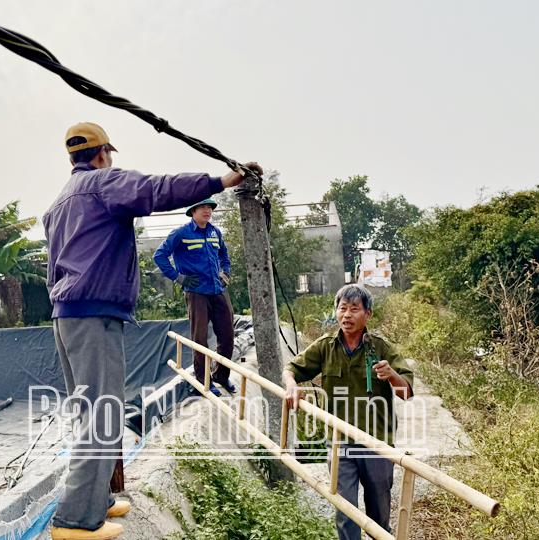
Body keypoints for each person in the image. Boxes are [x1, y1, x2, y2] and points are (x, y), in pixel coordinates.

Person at [44, 121, 260, 540]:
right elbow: (156, 190)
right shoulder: (102, 184)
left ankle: (97, 501)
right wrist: (219, 182)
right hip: (94, 316)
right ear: (103, 154)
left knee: (92, 411)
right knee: (101, 416)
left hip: (67, 315)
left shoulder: (59, 203)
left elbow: (54, 267)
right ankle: (75, 521)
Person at [282, 284, 414, 540]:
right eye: (342, 309)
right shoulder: (325, 347)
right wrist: (291, 386)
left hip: (377, 444)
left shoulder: (381, 348)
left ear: (368, 314)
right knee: (345, 513)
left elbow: (406, 392)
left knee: (379, 515)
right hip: (340, 443)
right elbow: (291, 369)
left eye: (354, 309)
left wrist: (392, 375)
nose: (347, 315)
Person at [153, 198, 236, 397]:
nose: (207, 211)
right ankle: (203, 380)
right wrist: (178, 278)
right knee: (200, 339)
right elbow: (159, 256)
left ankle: (221, 375)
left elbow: (224, 255)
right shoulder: (181, 233)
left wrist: (225, 273)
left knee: (227, 335)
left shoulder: (215, 233)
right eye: (202, 207)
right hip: (196, 292)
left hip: (217, 290)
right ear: (193, 211)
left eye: (210, 207)